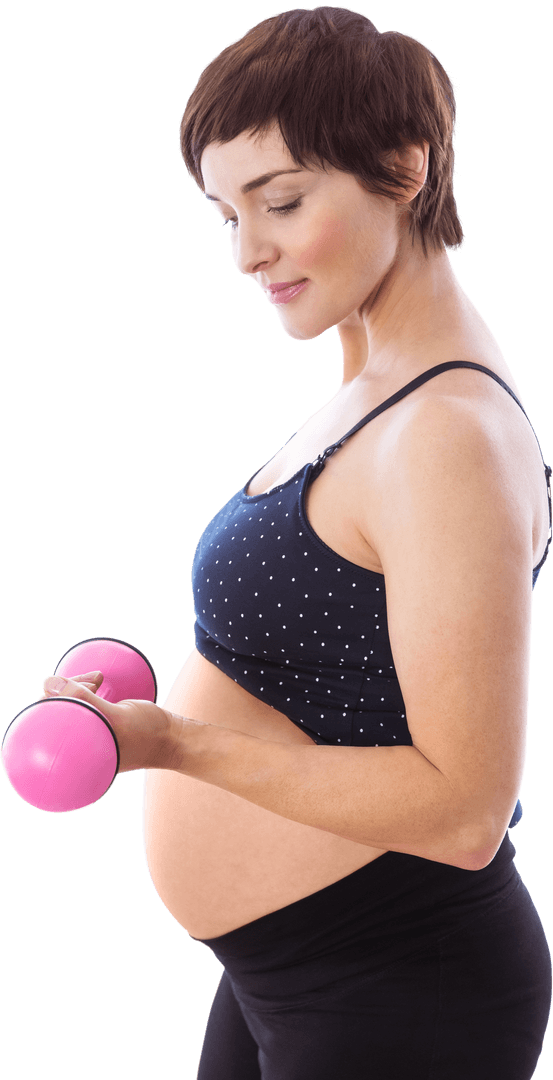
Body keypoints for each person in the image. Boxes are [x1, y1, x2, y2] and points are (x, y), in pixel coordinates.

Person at [42, 7, 552, 1078]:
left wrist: (173, 744)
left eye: (280, 203)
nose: (246, 251)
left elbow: (466, 811)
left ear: (404, 168)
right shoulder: (374, 387)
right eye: (226, 214)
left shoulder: (447, 434)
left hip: (399, 979)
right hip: (288, 967)